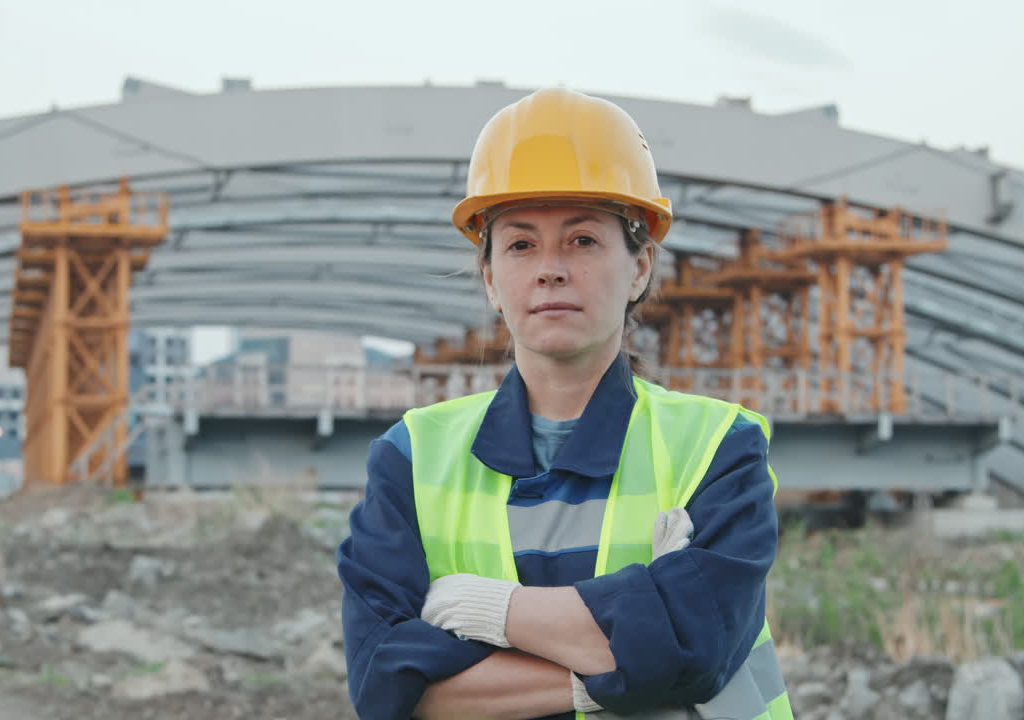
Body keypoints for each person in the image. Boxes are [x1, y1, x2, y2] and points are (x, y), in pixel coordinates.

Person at [338, 88, 792, 720]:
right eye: (521, 245)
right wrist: (634, 650)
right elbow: (383, 682)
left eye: (582, 240)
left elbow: (698, 645)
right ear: (491, 278)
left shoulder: (718, 447)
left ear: (640, 268)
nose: (550, 268)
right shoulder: (411, 457)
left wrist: (490, 610)